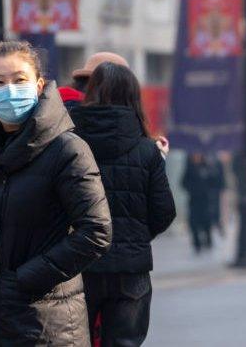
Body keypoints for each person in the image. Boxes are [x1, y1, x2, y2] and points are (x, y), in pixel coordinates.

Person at [0, 41, 112, 346]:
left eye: (19, 80)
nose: (9, 89)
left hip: (44, 323)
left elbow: (96, 231)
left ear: (38, 86)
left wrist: (26, 279)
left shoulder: (67, 149)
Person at [70, 62, 177, 345]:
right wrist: (137, 235)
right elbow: (164, 211)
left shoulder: (70, 143)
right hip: (131, 270)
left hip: (80, 266)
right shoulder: (147, 150)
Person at [182, 152, 225, 253]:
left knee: (207, 222)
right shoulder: (190, 168)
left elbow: (216, 183)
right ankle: (197, 244)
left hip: (206, 201)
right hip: (194, 201)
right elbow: (184, 182)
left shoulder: (208, 167)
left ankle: (208, 241)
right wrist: (192, 189)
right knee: (194, 223)